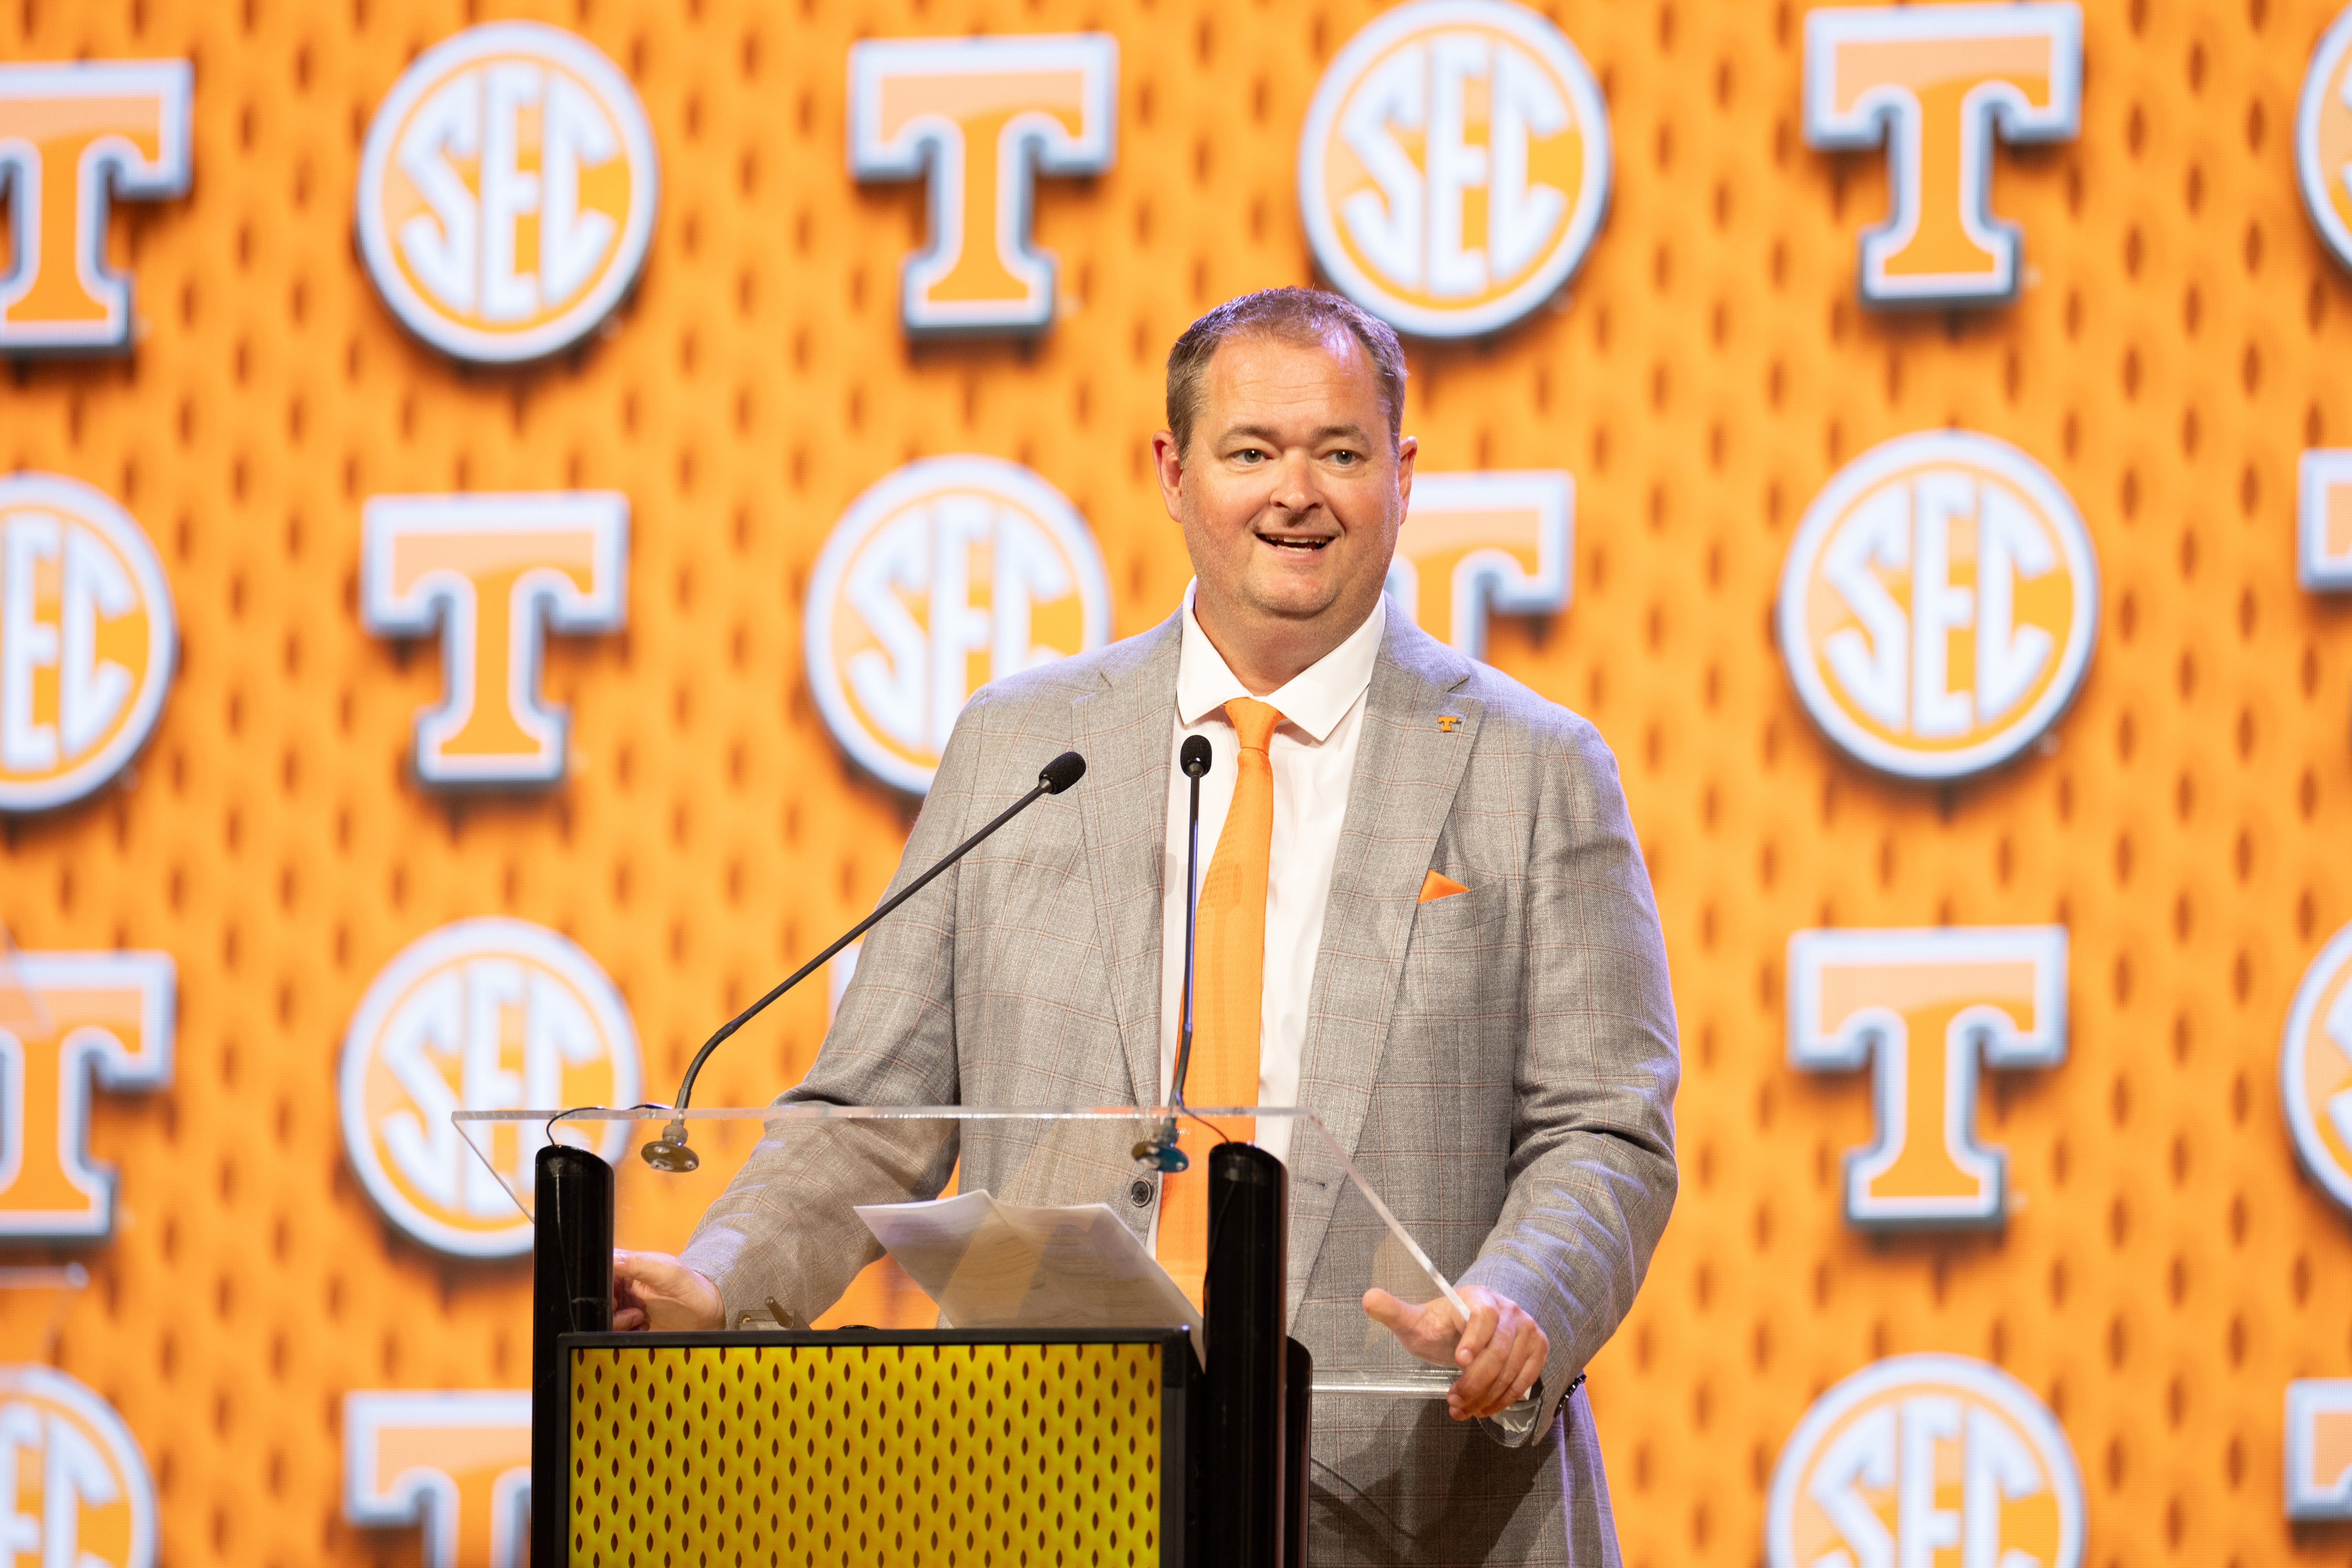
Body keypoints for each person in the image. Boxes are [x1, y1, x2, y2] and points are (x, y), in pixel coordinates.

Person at [612, 287, 1679, 1565]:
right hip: (1059, 1487)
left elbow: (1606, 1129)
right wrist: (727, 1280)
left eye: (1341, 452)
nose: (1298, 493)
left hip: (1420, 1499)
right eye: (1250, 453)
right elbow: (876, 1108)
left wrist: (1518, 1305)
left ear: (1403, 476)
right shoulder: (1024, 744)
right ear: (1173, 474)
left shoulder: (1535, 766)